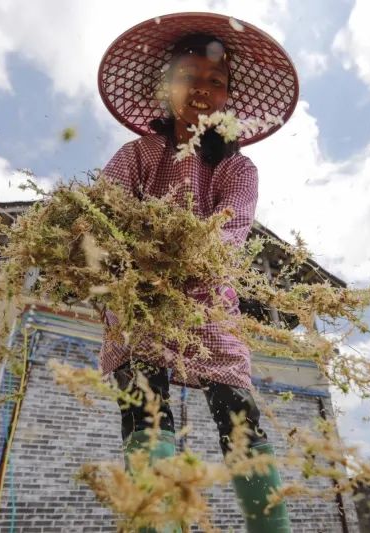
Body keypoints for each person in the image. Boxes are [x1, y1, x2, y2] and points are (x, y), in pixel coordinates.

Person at [96, 12, 299, 533]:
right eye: (190, 78)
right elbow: (102, 208)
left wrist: (194, 257)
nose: (203, 88)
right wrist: (108, 254)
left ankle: (270, 526)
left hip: (209, 304)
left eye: (216, 81)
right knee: (146, 414)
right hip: (142, 302)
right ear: (166, 90)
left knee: (241, 424)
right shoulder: (139, 153)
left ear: (227, 98)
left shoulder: (236, 169)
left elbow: (231, 228)